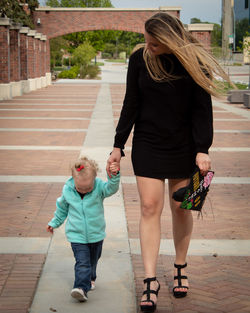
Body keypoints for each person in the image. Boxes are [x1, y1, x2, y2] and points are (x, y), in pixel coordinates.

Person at [106, 12, 233, 313]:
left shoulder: (194, 61)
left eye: (154, 42)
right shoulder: (140, 59)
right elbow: (131, 103)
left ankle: (180, 267)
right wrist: (117, 145)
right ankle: (150, 279)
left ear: (170, 39)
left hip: (185, 147)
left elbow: (203, 109)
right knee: (149, 207)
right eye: (147, 39)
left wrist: (202, 148)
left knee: (182, 207)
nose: (148, 45)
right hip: (148, 145)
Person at [47, 156, 120, 302]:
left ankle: (91, 278)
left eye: (88, 188)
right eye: (81, 188)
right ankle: (80, 287)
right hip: (76, 235)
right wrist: (55, 222)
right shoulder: (68, 190)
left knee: (93, 260)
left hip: (96, 234)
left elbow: (111, 189)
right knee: (82, 262)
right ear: (73, 180)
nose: (85, 190)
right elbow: (62, 209)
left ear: (94, 179)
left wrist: (114, 176)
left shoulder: (99, 187)